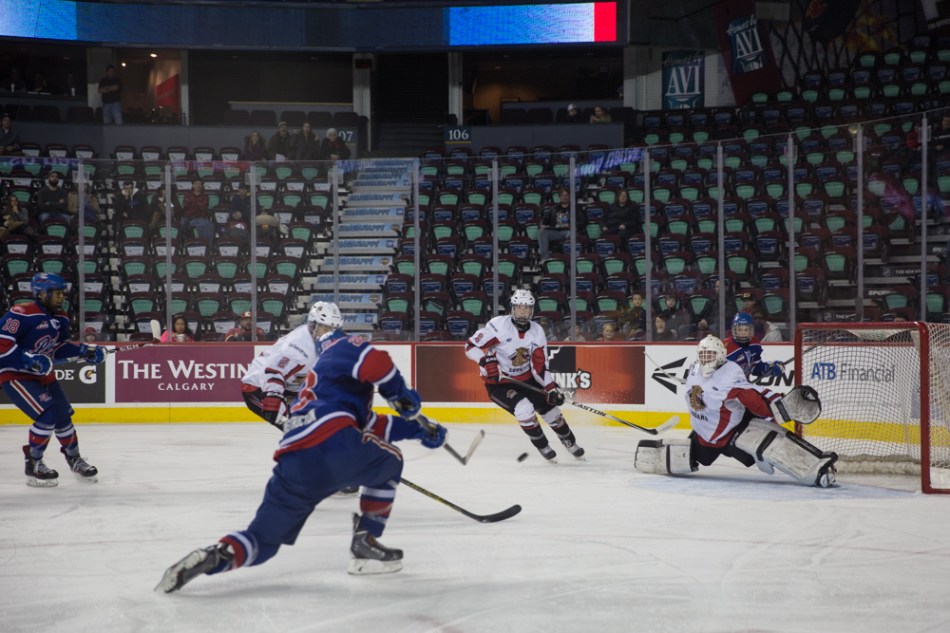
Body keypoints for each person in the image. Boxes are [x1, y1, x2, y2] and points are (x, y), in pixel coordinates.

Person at [156, 307, 447, 592]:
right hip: (331, 442)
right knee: (390, 460)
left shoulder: (320, 383)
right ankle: (366, 544)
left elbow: (370, 423)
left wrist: (419, 430)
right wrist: (402, 396)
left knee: (264, 543)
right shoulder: (342, 347)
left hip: (293, 459)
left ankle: (215, 557)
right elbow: (377, 363)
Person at [634, 335, 837, 488]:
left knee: (768, 442)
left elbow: (751, 395)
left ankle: (816, 468)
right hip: (706, 434)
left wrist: (777, 408)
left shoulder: (730, 373)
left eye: (711, 355)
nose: (706, 359)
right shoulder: (695, 368)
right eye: (703, 355)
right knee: (701, 456)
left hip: (733, 428)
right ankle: (758, 454)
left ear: (721, 354)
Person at [0, 273, 105, 487]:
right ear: (41, 293)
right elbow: (2, 345)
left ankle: (74, 459)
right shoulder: (21, 313)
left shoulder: (61, 317)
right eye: (57, 293)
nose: (61, 297)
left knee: (63, 415)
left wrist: (86, 351)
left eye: (62, 293)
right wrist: (27, 359)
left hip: (43, 375)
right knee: (48, 413)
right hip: (15, 374)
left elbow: (57, 348)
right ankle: (34, 462)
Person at [464, 289, 584, 461]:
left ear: (532, 310)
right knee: (524, 409)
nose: (523, 311)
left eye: (527, 308)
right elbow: (469, 347)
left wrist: (550, 387)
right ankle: (543, 445)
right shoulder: (498, 326)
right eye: (519, 306)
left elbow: (539, 365)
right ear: (512, 307)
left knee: (552, 412)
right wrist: (483, 361)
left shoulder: (537, 332)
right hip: (499, 383)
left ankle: (569, 442)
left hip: (527, 379)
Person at [239, 302, 334, 430]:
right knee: (298, 430)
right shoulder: (300, 346)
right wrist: (274, 395)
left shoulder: (317, 341)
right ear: (314, 324)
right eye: (325, 328)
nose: (329, 333)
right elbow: (274, 370)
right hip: (258, 389)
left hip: (286, 389)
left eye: (332, 329)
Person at [724, 312, 783, 379]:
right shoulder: (724, 347)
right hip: (726, 386)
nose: (743, 333)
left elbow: (755, 368)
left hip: (743, 385)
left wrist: (769, 367)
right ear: (734, 330)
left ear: (751, 329)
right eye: (740, 330)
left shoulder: (754, 344)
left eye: (746, 329)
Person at [538, 187, 579, 260]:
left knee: (572, 234)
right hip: (556, 231)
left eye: (566, 195)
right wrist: (543, 225)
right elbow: (545, 220)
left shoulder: (575, 208)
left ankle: (570, 258)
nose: (565, 197)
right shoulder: (553, 209)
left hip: (568, 231)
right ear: (559, 197)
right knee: (542, 233)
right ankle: (545, 258)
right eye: (563, 195)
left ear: (569, 196)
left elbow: (582, 221)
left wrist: (575, 226)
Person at [180, 178, 214, 242]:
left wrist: (192, 203)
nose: (198, 185)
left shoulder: (205, 196)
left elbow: (203, 207)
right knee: (182, 224)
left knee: (208, 226)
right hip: (188, 216)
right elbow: (186, 205)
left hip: (200, 216)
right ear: (193, 185)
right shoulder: (187, 195)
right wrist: (198, 204)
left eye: (200, 184)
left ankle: (205, 243)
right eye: (196, 184)